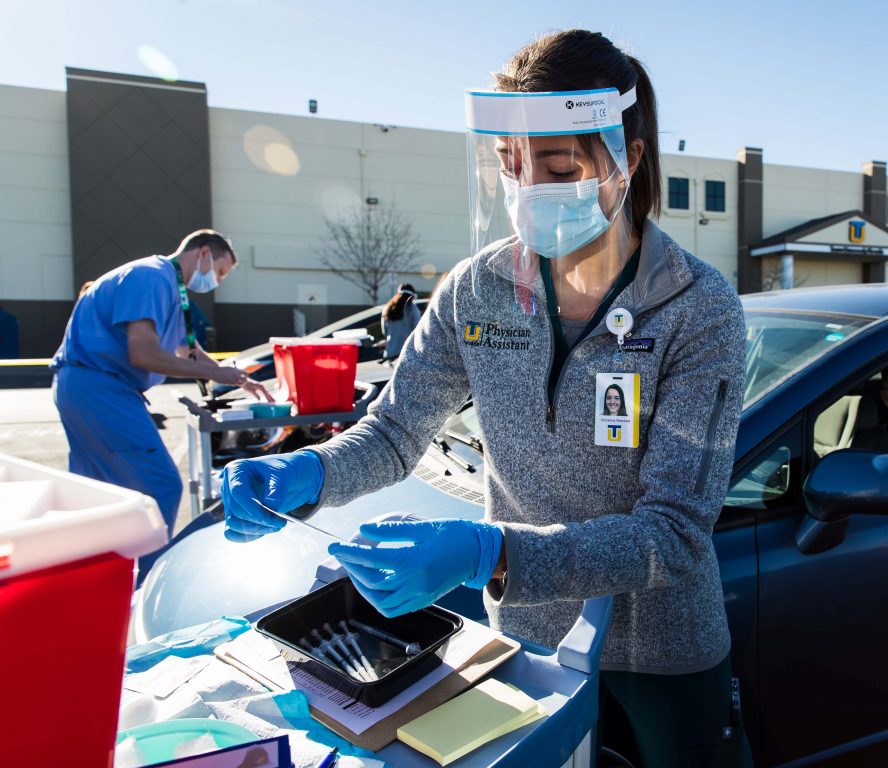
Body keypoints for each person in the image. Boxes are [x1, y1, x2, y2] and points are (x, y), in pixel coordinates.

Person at [222, 30, 751, 766]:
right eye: (511, 167)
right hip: (529, 639)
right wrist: (309, 473)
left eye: (558, 167)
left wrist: (488, 549)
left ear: (626, 161)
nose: (529, 189)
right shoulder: (479, 289)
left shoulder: (699, 309)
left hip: (664, 649)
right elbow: (396, 431)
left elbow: (673, 533)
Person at [51, 229, 270, 537]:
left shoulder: (169, 286)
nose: (216, 282)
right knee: (160, 486)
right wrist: (216, 375)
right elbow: (143, 353)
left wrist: (236, 377)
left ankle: (105, 575)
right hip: (101, 387)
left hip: (86, 386)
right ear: (203, 253)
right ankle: (150, 578)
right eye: (219, 272)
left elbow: (188, 350)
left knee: (97, 495)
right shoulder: (151, 277)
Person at [381, 283, 421, 361]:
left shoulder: (388, 308)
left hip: (390, 353)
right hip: (407, 354)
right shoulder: (412, 308)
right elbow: (418, 331)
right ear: (412, 296)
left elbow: (385, 332)